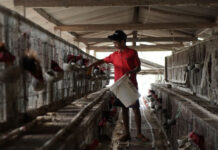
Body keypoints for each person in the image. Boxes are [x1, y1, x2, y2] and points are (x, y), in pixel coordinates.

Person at [88, 30, 149, 142]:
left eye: (116, 42)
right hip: (119, 85)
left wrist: (132, 71)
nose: (114, 44)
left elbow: (138, 67)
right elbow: (103, 60)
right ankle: (127, 133)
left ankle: (139, 133)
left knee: (135, 109)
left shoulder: (132, 53)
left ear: (123, 41)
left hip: (130, 84)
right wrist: (92, 65)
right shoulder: (114, 55)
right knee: (124, 109)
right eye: (114, 42)